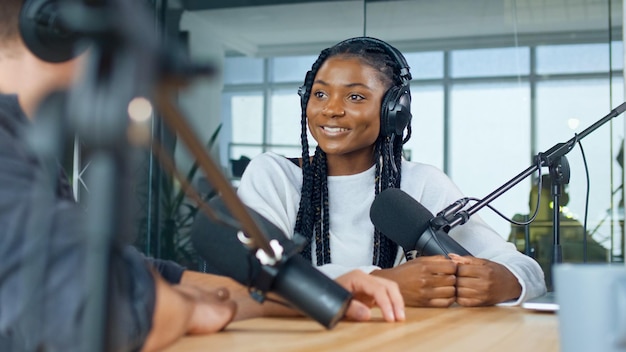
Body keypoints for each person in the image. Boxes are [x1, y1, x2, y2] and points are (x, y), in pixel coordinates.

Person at [0, 2, 405, 352]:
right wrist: (189, 310)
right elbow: (94, 312)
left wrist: (315, 294)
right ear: (58, 25)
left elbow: (134, 274)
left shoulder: (23, 151)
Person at [237, 36, 547, 308]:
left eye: (354, 96)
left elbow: (523, 268)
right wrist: (387, 282)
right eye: (319, 94)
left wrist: (506, 281)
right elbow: (255, 273)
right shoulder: (274, 175)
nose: (330, 109)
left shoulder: (421, 183)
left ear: (394, 110)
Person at [509, 175, 608, 291]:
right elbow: (511, 257)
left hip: (565, 285)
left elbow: (600, 254)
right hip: (531, 286)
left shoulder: (568, 224)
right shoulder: (521, 223)